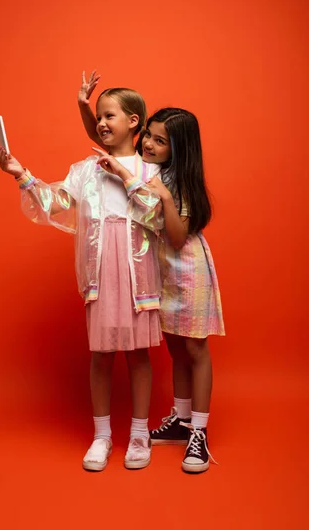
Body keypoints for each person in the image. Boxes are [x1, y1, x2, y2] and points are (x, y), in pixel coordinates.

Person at [0, 85, 164, 471]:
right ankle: (102, 435)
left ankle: (140, 435)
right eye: (99, 116)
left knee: (139, 355)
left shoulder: (152, 170)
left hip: (138, 272)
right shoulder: (84, 170)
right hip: (102, 268)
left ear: (133, 122)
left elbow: (160, 217)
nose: (101, 123)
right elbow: (54, 203)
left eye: (109, 116)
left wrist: (126, 177)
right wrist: (21, 174)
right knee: (101, 355)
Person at [79, 73, 225, 474]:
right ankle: (179, 420)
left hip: (187, 270)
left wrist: (157, 194)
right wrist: (83, 106)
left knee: (194, 348)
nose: (148, 144)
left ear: (179, 149)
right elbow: (110, 135)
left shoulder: (174, 182)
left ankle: (199, 430)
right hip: (154, 273)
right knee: (176, 348)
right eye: (149, 137)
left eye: (160, 141)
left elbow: (177, 239)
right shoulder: (146, 166)